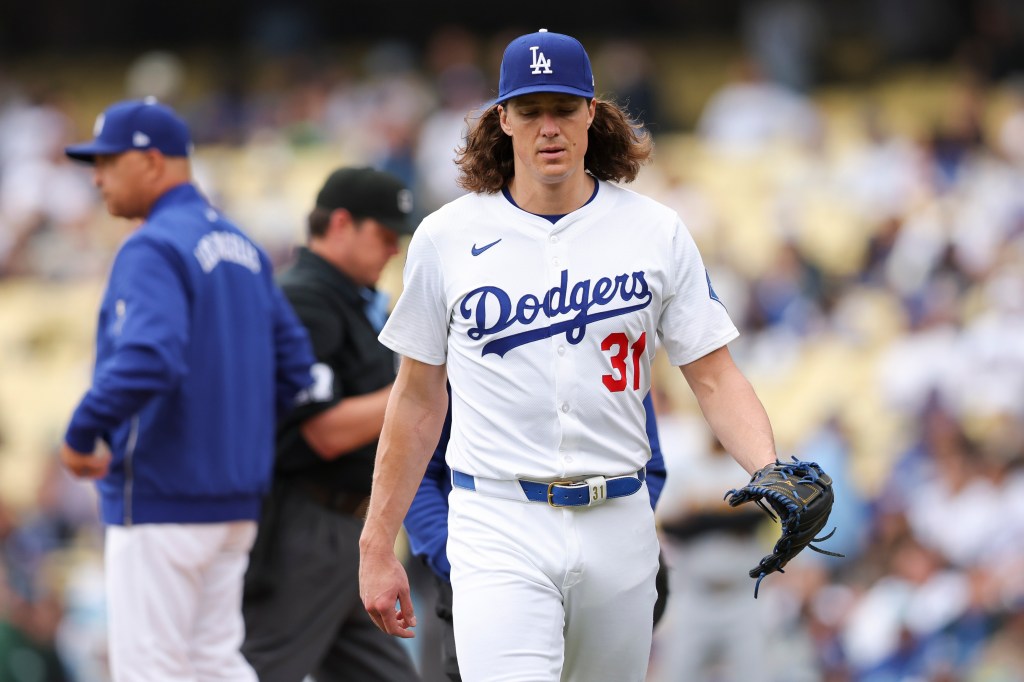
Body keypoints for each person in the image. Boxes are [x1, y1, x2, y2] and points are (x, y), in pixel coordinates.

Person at [358, 29, 781, 681]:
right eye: (530, 111)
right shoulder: (446, 238)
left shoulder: (655, 230)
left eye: (562, 108)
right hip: (498, 518)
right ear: (503, 119)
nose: (547, 127)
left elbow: (716, 378)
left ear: (591, 112)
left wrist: (770, 469)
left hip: (620, 518)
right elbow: (415, 400)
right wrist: (377, 542)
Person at [59, 98, 317, 682]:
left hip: (162, 496)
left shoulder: (152, 245)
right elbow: (297, 369)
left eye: (108, 161)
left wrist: (80, 432)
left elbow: (147, 358)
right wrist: (231, 437)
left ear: (152, 161)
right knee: (214, 663)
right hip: (233, 500)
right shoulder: (244, 247)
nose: (96, 177)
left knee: (153, 669)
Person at [241, 166, 422, 682]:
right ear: (341, 223)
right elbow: (324, 432)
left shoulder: (351, 300)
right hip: (306, 524)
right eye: (383, 234)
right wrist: (422, 391)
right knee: (258, 671)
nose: (393, 249)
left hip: (350, 529)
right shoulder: (304, 298)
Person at [404, 390, 669, 681]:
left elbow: (649, 468)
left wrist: (618, 538)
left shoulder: (613, 367)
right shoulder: (462, 371)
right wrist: (461, 557)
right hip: (481, 565)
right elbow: (416, 471)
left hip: (604, 572)